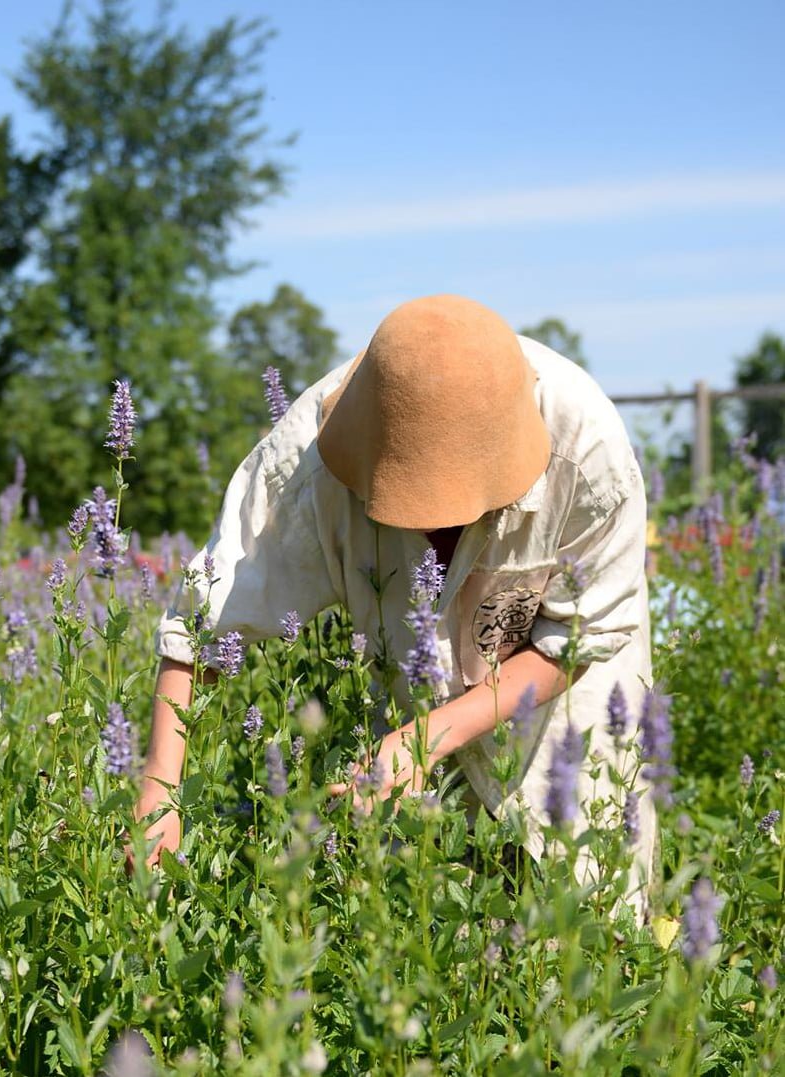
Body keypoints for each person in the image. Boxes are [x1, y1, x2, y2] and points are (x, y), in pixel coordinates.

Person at [134, 294, 657, 920]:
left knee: (595, 911)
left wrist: (426, 738)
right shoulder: (309, 459)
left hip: (566, 710)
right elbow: (202, 622)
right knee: (440, 933)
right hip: (404, 702)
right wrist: (160, 796)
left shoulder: (588, 457)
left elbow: (578, 637)